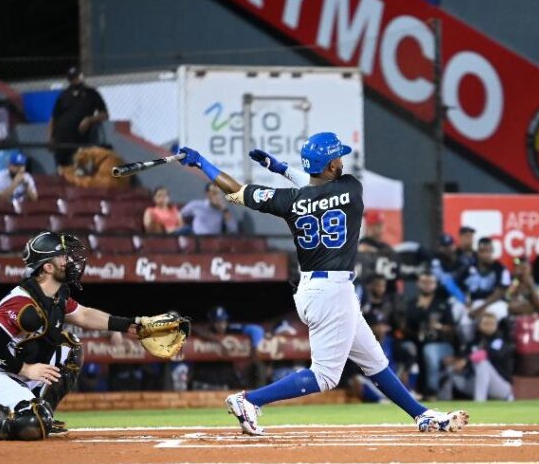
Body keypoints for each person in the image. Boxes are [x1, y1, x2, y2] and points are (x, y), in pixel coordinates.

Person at [172, 133, 468, 435]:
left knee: (374, 360)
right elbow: (320, 187)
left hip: (314, 290)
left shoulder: (290, 200)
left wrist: (202, 164)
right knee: (325, 376)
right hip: (333, 293)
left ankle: (421, 415)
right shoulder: (352, 187)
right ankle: (249, 400)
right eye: (336, 159)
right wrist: (282, 168)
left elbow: (237, 192)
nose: (341, 162)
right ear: (328, 167)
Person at [0, 232, 158, 441]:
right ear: (48, 268)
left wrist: (129, 325)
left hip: (15, 371)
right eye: (63, 256)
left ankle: (42, 413)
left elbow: (85, 315)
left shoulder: (55, 296)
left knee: (71, 347)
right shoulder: (22, 303)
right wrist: (25, 369)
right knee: (31, 424)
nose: (69, 261)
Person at [402, 271, 457, 398]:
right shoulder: (411, 304)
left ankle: (432, 391)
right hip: (418, 341)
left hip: (441, 344)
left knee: (429, 350)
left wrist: (439, 326)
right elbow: (405, 328)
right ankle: (409, 390)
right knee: (410, 349)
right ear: (418, 284)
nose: (427, 285)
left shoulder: (443, 303)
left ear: (435, 285)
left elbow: (453, 329)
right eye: (424, 282)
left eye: (430, 282)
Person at [440, 311, 514, 402]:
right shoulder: (474, 342)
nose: (489, 326)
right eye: (486, 323)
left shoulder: (499, 340)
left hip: (500, 387)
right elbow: (464, 358)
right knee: (450, 370)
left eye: (492, 324)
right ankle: (444, 403)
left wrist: (466, 360)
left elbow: (486, 353)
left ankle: (479, 402)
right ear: (479, 325)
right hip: (477, 384)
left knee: (482, 363)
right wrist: (455, 362)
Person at [48, 66, 108, 171]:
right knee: (63, 171)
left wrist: (89, 119)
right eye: (71, 78)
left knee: (80, 171)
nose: (74, 80)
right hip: (61, 141)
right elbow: (54, 118)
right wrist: (50, 138)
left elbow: (104, 114)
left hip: (79, 142)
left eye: (76, 77)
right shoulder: (63, 96)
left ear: (81, 77)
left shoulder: (91, 94)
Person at [461, 237, 511, 322]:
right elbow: (462, 287)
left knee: (490, 319)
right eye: (482, 251)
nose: (486, 255)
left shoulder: (501, 268)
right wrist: (466, 301)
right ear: (477, 252)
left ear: (492, 251)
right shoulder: (469, 268)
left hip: (496, 303)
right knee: (465, 322)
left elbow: (499, 293)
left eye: (488, 251)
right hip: (475, 302)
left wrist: (479, 309)